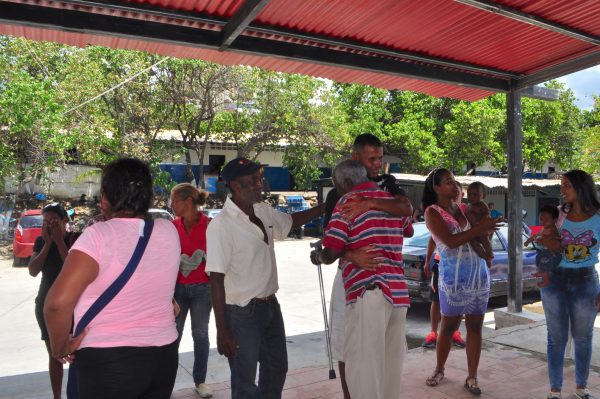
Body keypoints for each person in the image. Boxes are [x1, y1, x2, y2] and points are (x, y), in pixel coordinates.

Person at [44, 158, 181, 399]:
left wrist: (60, 347)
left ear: (105, 197)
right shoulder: (169, 231)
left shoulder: (97, 236)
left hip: (108, 361)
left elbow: (56, 304)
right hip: (163, 357)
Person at [206, 157, 325, 399]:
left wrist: (327, 206)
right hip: (241, 314)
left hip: (270, 306)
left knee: (277, 368)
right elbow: (216, 280)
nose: (260, 184)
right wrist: (222, 330)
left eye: (260, 179)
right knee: (245, 381)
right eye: (253, 181)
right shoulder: (221, 226)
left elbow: (291, 222)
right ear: (236, 186)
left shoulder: (262, 210)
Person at [322, 133, 413, 399]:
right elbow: (406, 225)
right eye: (372, 159)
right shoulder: (389, 200)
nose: (377, 164)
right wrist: (351, 255)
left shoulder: (348, 201)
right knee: (388, 369)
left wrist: (324, 256)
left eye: (379, 158)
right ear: (357, 159)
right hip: (396, 294)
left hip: (367, 291)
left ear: (346, 183)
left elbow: (331, 248)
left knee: (362, 368)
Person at [422, 168, 501, 395]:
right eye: (448, 182)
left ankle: (472, 376)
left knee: (475, 326)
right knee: (447, 327)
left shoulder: (464, 209)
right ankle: (439, 369)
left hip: (478, 276)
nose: (454, 186)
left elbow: (480, 236)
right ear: (436, 188)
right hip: (453, 279)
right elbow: (449, 241)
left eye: (455, 181)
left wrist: (487, 233)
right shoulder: (432, 212)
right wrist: (480, 228)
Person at [541, 170, 600, 399]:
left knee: (583, 337)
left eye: (566, 186)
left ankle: (581, 387)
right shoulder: (557, 214)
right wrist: (543, 271)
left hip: (586, 282)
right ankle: (555, 390)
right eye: (561, 186)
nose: (561, 190)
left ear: (580, 188)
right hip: (555, 280)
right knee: (556, 337)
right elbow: (546, 246)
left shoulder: (598, 216)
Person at [28, 203, 79, 399]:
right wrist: (48, 243)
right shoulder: (41, 242)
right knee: (55, 355)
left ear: (65, 221)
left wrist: (59, 242)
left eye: (54, 222)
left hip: (74, 305)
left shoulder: (76, 239)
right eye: (46, 222)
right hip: (46, 305)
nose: (50, 226)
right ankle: (57, 396)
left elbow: (73, 269)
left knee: (78, 354)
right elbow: (32, 271)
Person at [170, 183, 213, 398]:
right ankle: (165, 381)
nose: (171, 205)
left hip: (203, 289)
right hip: (176, 289)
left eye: (174, 200)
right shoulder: (172, 226)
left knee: (200, 334)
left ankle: (200, 381)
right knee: (172, 336)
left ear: (188, 202)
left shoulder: (211, 225)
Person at [422, 181, 466, 349]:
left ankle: (455, 331)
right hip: (442, 263)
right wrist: (428, 260)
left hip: (461, 266)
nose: (455, 196)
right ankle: (433, 332)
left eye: (457, 193)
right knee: (437, 299)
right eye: (452, 192)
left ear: (462, 195)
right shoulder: (438, 212)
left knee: (459, 300)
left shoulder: (465, 212)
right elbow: (433, 238)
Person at [524, 204, 562, 289]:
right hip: (546, 251)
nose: (543, 222)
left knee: (544, 262)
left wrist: (543, 239)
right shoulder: (544, 228)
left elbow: (551, 237)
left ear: (555, 220)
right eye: (541, 219)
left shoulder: (553, 229)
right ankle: (539, 272)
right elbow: (536, 235)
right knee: (538, 258)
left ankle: (546, 280)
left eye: (546, 219)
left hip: (553, 253)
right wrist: (528, 240)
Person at [465, 182, 494, 267]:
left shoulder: (482, 205)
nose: (471, 197)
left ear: (483, 196)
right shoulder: (469, 206)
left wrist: (480, 222)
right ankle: (486, 258)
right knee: (474, 243)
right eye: (469, 194)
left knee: (486, 241)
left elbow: (487, 215)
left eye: (475, 194)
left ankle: (490, 254)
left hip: (482, 230)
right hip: (473, 232)